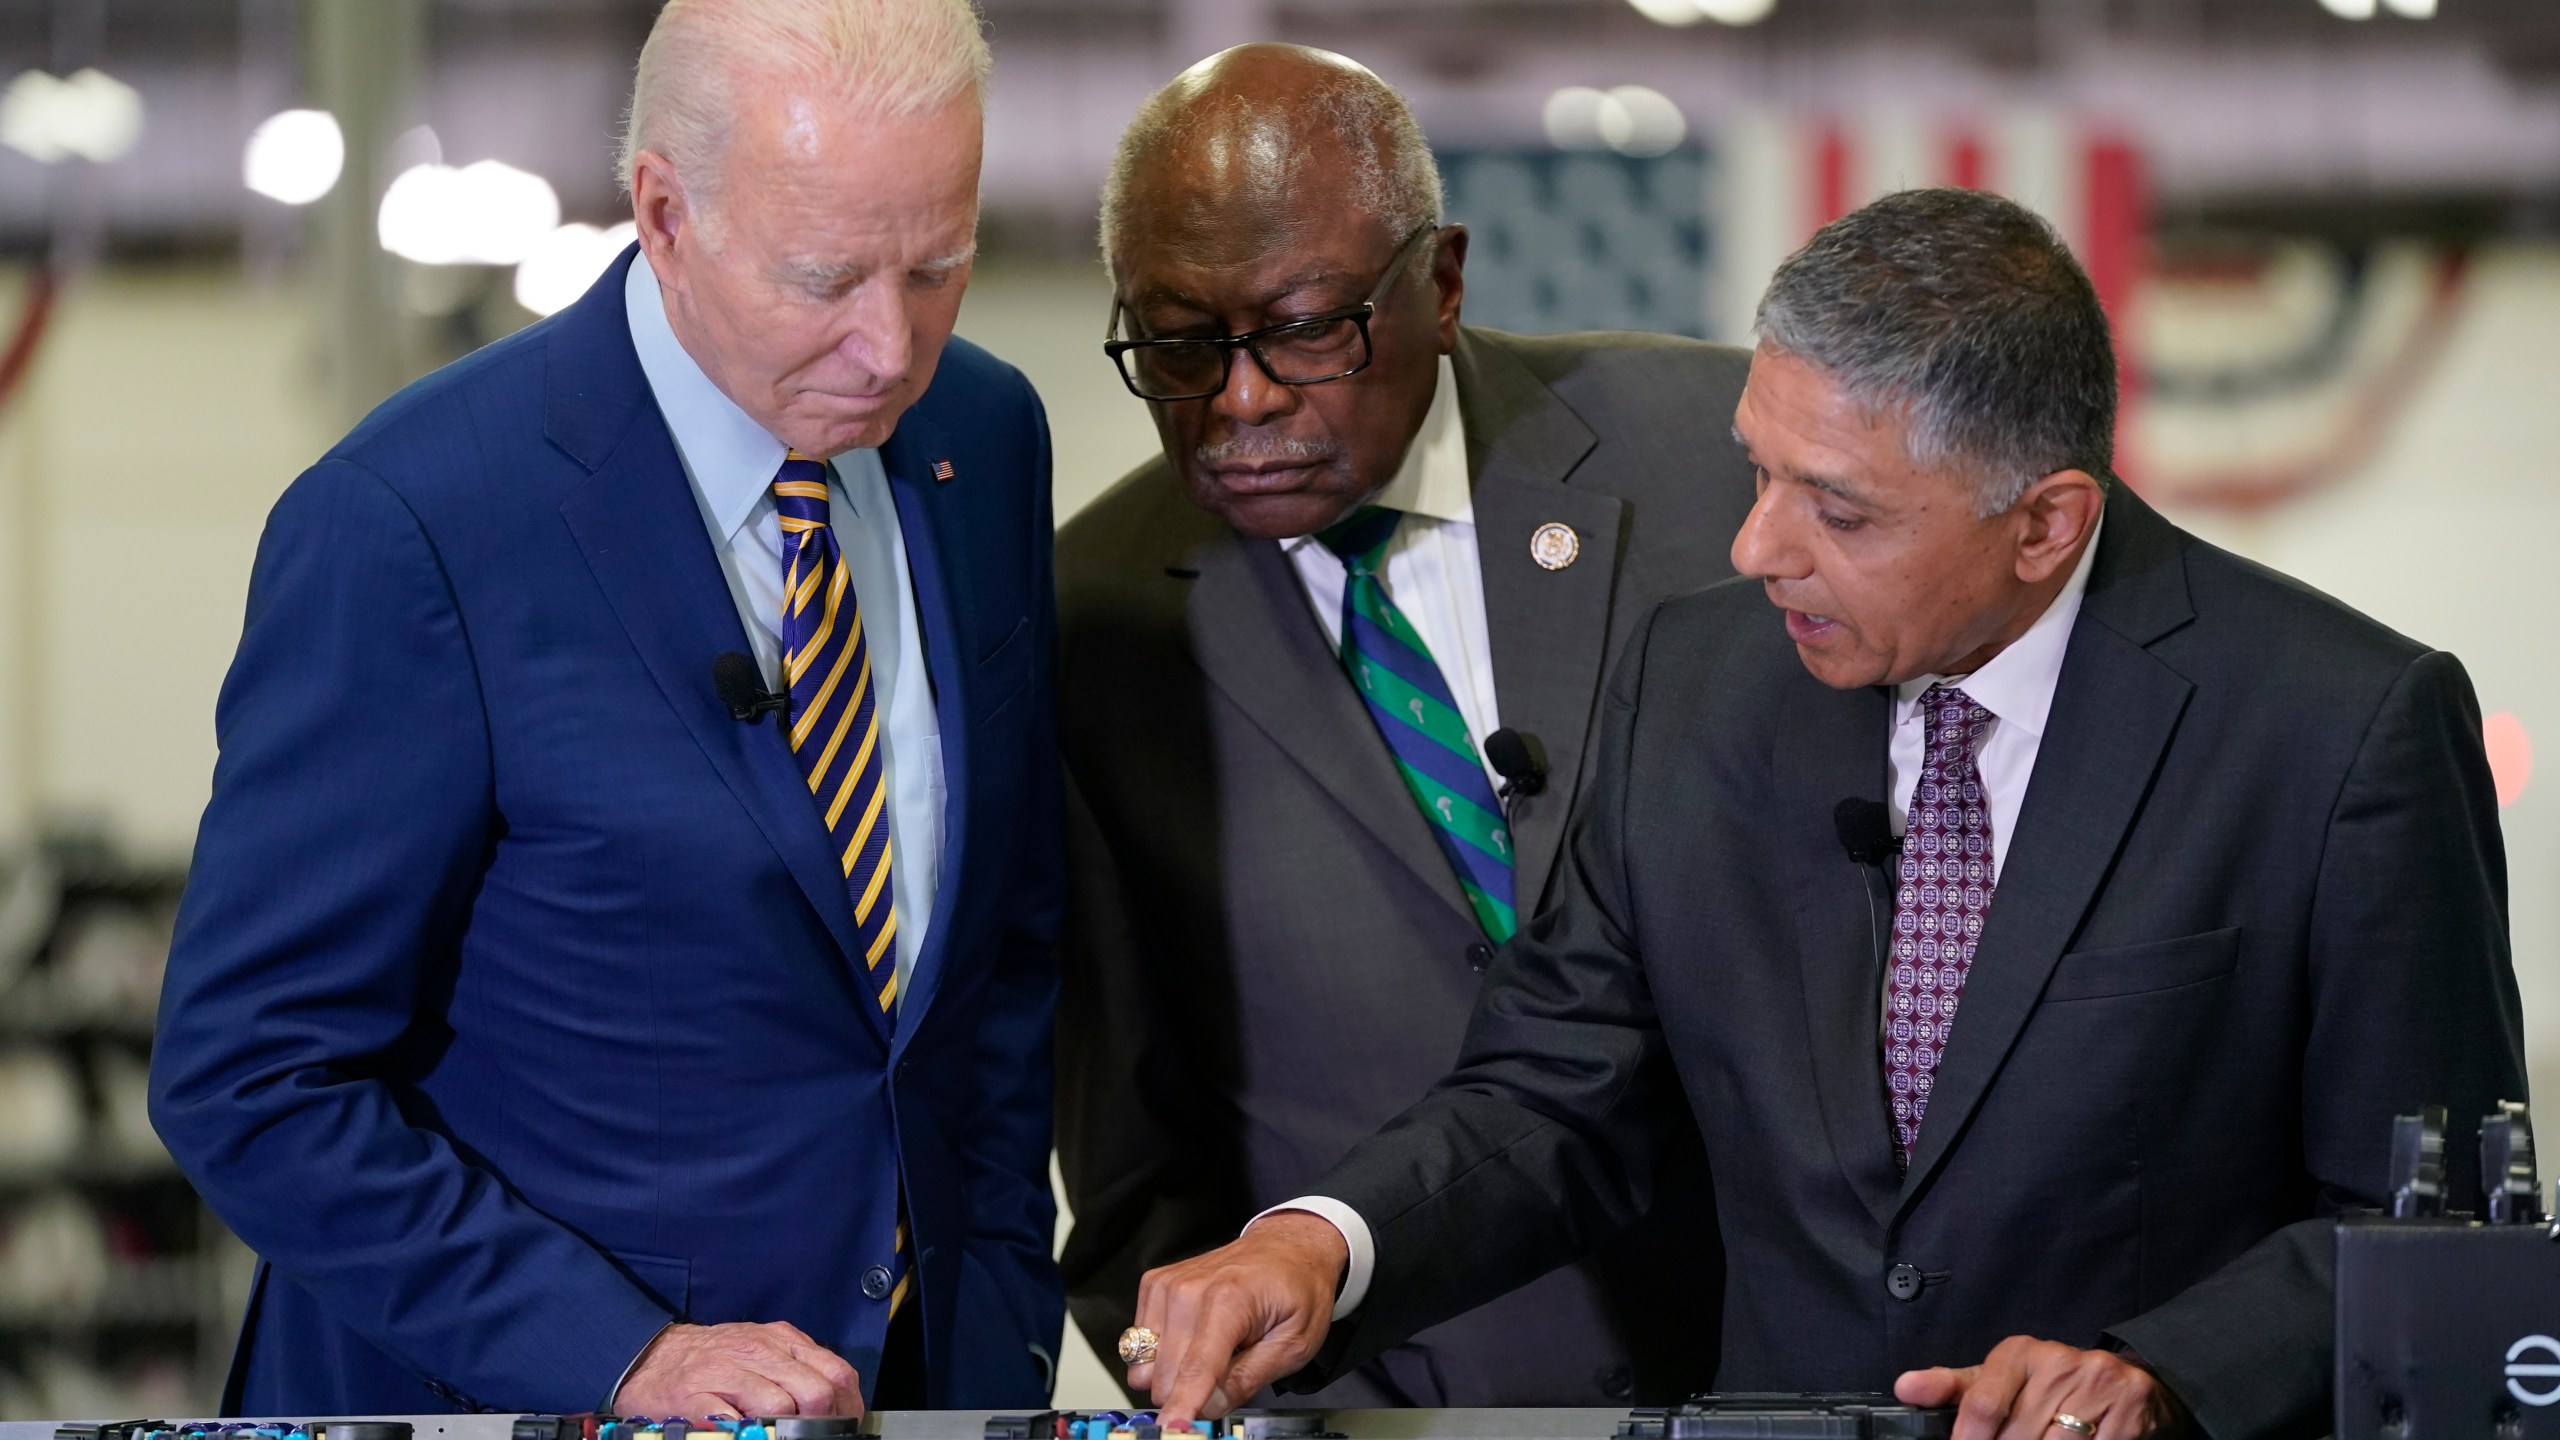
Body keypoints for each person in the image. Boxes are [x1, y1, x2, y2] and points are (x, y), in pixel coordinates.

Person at [1116, 188, 2528, 1440]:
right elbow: (1560, 1084)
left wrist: (2163, 1375)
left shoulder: (2339, 732)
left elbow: (2435, 1232)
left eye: (1839, 512)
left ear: (2043, 523)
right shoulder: (1697, 679)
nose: (1755, 548)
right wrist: (1320, 1246)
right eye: (1757, 470)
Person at [148, 0, 1062, 1416]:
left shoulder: (983, 440)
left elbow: (998, 960)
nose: (890, 346)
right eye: (824, 278)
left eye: (939, 267)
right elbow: (254, 1079)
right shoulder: (413, 522)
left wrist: (996, 1312)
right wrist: (617, 1354)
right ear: (665, 212)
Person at [1054, 44, 1751, 1408]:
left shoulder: (1716, 462)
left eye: (1306, 326)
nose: (1240, 399)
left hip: (1801, 1376)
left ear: (1440, 280)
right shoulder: (1091, 622)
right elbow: (1135, 1162)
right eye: (1179, 340)